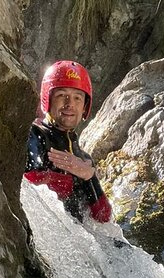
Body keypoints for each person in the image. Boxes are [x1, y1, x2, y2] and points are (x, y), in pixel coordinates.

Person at [24, 60, 112, 223]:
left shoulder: (83, 159)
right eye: (61, 96)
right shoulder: (35, 134)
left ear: (85, 107)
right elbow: (30, 182)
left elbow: (103, 217)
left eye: (77, 98)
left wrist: (88, 176)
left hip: (76, 235)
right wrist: (71, 180)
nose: (69, 104)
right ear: (48, 100)